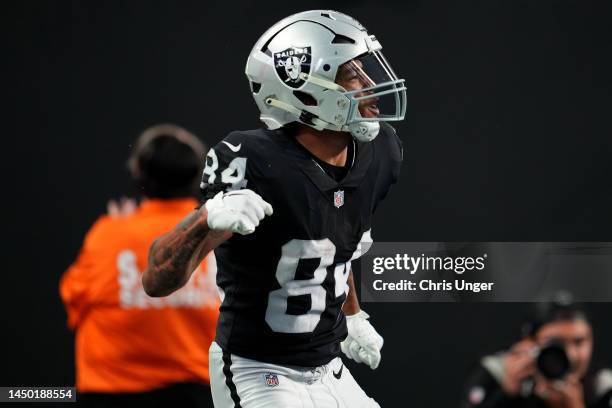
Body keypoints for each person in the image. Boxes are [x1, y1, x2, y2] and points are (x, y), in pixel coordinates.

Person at [143, 10, 406, 408]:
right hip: (260, 371)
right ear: (306, 89)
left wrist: (352, 317)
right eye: (352, 75)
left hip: (329, 366)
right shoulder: (254, 163)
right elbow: (155, 281)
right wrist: (205, 219)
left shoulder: (380, 151)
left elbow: (334, 247)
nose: (370, 86)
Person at [60, 124, 219, 408]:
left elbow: (73, 298)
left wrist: (117, 232)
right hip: (198, 395)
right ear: (198, 176)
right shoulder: (219, 235)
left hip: (111, 393)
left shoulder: (110, 233)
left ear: (139, 174)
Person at [461, 292, 612, 408]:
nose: (570, 355)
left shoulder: (603, 385)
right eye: (556, 343)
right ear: (529, 341)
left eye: (579, 342)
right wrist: (507, 394)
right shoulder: (497, 373)